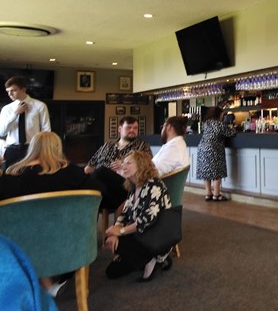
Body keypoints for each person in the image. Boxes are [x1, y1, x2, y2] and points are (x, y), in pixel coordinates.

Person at [0, 131, 104, 297]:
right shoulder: (71, 173)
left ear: (32, 148)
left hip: (20, 246)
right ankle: (53, 281)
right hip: (67, 244)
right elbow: (98, 192)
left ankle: (37, 283)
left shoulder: (10, 175)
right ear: (58, 148)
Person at [104, 150, 173, 282]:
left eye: (128, 163)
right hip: (139, 234)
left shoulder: (154, 185)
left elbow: (148, 220)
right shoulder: (133, 187)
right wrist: (114, 232)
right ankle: (145, 257)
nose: (123, 166)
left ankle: (155, 256)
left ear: (141, 165)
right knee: (111, 272)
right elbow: (124, 214)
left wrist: (121, 232)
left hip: (155, 236)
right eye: (123, 163)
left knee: (120, 244)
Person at [84, 116, 152, 209]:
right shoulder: (107, 145)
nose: (132, 130)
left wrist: (125, 164)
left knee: (101, 171)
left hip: (125, 187)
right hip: (104, 191)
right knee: (81, 177)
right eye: (129, 127)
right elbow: (90, 165)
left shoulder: (142, 146)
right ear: (119, 129)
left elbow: (147, 167)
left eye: (135, 128)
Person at [0, 76, 51, 169]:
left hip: (32, 149)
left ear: (23, 89)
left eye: (13, 90)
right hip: (12, 150)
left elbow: (46, 130)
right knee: (11, 180)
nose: (10, 94)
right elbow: (2, 132)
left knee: (31, 179)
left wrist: (43, 150)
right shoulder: (6, 109)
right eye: (8, 91)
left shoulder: (40, 106)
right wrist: (15, 114)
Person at [197, 106, 236, 202]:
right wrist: (233, 128)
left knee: (206, 171)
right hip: (214, 148)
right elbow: (231, 133)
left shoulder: (205, 123)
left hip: (202, 147)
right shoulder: (220, 124)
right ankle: (216, 194)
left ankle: (208, 193)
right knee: (217, 171)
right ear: (219, 114)